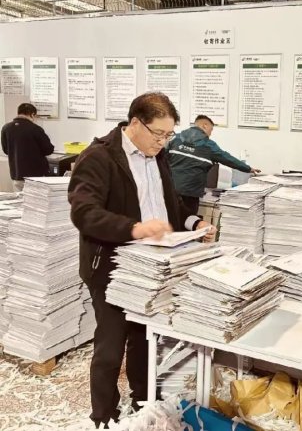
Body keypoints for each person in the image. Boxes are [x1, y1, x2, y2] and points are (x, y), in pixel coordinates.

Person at [68, 92, 216, 429]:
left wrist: (194, 222)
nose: (163, 142)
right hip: (112, 267)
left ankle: (142, 402)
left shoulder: (157, 155)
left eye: (168, 135)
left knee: (143, 339)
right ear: (135, 122)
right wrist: (133, 228)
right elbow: (84, 212)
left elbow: (169, 203)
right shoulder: (99, 157)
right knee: (110, 345)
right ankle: (103, 415)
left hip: (150, 267)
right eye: (158, 134)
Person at [166, 114, 261, 213]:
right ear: (205, 126)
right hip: (191, 193)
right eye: (211, 130)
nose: (210, 134)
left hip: (169, 189)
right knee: (188, 220)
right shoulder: (208, 145)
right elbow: (227, 159)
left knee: (168, 218)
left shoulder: (174, 138)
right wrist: (248, 168)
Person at [1, 102, 54, 191]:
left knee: (21, 198)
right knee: (36, 199)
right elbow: (48, 149)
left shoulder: (6, 128)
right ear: (32, 114)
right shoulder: (36, 129)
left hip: (17, 175)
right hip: (36, 177)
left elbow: (6, 150)